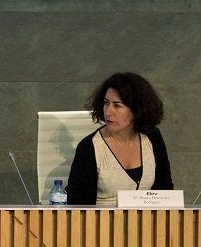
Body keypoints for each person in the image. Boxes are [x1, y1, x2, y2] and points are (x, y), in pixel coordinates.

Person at [66, 72, 173, 205]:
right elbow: (77, 205)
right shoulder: (88, 147)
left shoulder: (152, 137)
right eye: (106, 103)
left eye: (117, 105)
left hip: (148, 218)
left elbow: (165, 190)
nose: (108, 112)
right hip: (102, 218)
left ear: (137, 110)